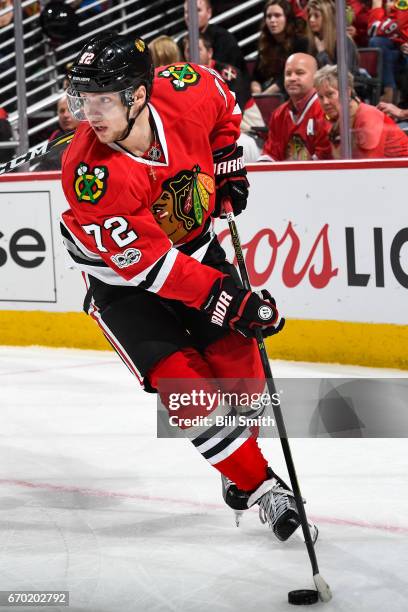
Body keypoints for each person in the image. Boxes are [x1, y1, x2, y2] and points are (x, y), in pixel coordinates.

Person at [61, 33, 317, 541]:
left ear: (139, 94)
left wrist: (227, 163)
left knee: (241, 370)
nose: (90, 113)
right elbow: (154, 269)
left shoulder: (186, 88)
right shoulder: (90, 172)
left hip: (196, 246)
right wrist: (234, 300)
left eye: (103, 100)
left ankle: (240, 469)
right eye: (83, 100)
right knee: (188, 390)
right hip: (124, 285)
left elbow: (226, 103)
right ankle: (262, 486)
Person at [183, 32, 265, 161]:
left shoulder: (228, 74)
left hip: (247, 130)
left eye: (197, 49)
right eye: (188, 50)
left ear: (210, 52)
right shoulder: (185, 77)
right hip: (212, 131)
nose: (192, 54)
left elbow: (234, 112)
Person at [314, 64, 408, 158]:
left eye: (330, 94)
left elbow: (368, 166)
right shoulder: (332, 120)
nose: (325, 102)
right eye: (320, 97)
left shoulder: (368, 116)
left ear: (347, 92)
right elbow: (323, 158)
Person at [258, 53, 331, 161]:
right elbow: (270, 154)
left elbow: (326, 156)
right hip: (285, 175)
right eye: (288, 74)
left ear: (315, 77)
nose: (292, 78)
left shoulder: (327, 109)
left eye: (299, 73)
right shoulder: (279, 114)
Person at [251, 0, 309, 95]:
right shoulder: (266, 44)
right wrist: (256, 88)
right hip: (268, 96)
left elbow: (290, 77)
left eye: (277, 15)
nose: (272, 20)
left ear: (287, 18)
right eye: (269, 16)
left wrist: (266, 95)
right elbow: (256, 76)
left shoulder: (300, 42)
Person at [183, 0, 247, 75]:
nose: (191, 15)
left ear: (209, 13)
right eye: (187, 11)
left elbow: (232, 75)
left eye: (198, 10)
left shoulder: (225, 39)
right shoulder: (181, 42)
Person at [368, 0, 408, 102]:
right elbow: (373, 32)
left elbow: (374, 29)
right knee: (378, 44)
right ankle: (390, 90)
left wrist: (376, 7)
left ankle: (391, 93)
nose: (390, 4)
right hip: (396, 50)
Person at [307, 0, 359, 77]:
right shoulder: (313, 41)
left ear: (328, 18)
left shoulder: (344, 42)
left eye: (316, 16)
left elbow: (344, 78)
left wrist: (322, 54)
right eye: (309, 16)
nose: (311, 20)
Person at [36, 95, 79, 171]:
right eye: (62, 111)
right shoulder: (56, 134)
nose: (65, 115)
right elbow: (45, 163)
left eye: (70, 110)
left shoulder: (91, 136)